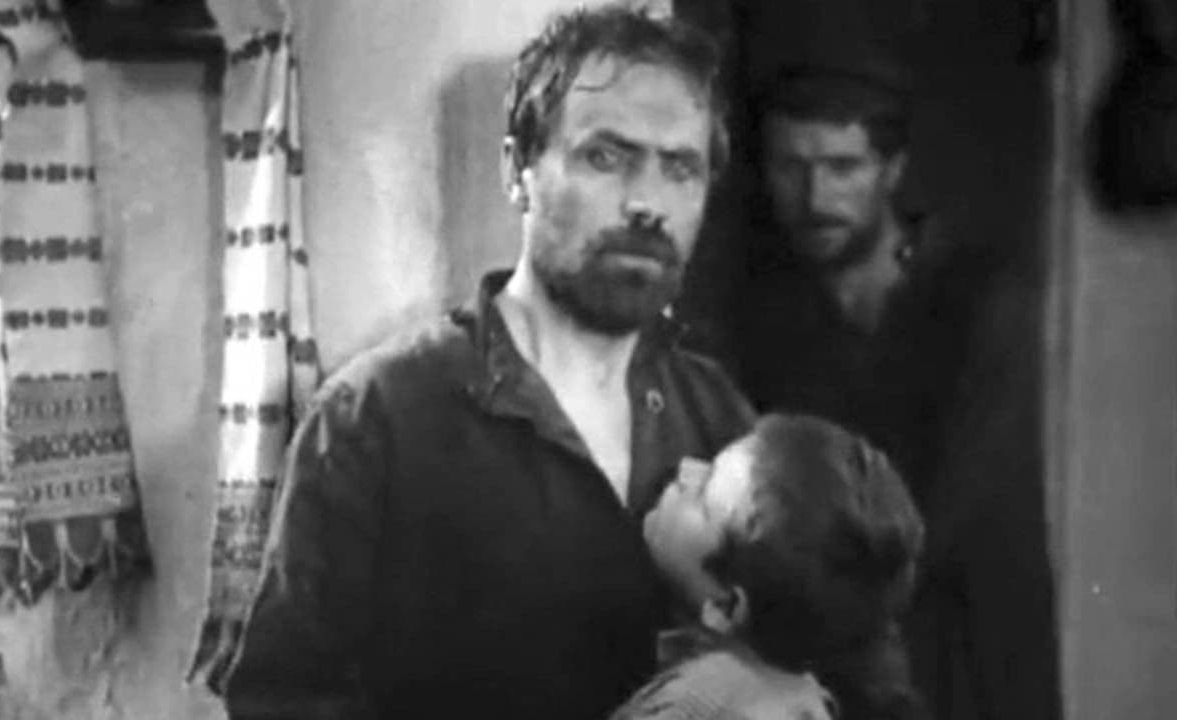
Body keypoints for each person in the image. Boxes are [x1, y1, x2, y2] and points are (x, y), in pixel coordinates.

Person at [222, 6, 756, 720]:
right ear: (516, 170)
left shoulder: (718, 418)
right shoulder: (375, 418)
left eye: (681, 169)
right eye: (606, 157)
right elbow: (282, 704)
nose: (647, 204)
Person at [699, 60, 1062, 720]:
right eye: (791, 166)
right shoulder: (766, 321)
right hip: (825, 667)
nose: (815, 197)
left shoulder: (973, 303)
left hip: (969, 648)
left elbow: (961, 504)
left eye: (843, 167)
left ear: (891, 171)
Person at [610, 414, 927, 720]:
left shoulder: (696, 706)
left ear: (726, 606)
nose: (686, 468)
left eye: (703, 497)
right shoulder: (803, 696)